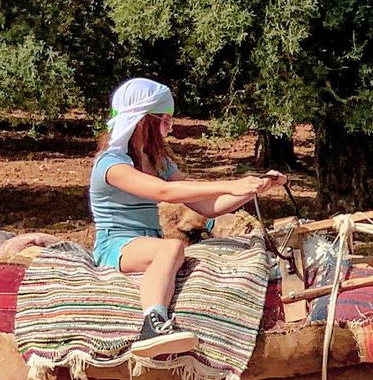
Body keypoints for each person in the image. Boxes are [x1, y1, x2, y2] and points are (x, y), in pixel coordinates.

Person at [89, 79, 284, 360]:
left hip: (148, 243)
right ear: (144, 121)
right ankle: (152, 325)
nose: (170, 128)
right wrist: (230, 184)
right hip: (117, 245)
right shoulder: (111, 165)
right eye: (166, 120)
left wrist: (256, 188)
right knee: (172, 247)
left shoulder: (158, 163)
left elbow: (208, 206)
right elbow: (164, 192)